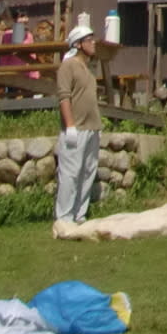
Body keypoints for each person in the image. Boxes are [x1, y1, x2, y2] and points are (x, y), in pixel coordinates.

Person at [52, 24, 103, 233]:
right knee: (71, 174)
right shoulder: (68, 66)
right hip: (76, 129)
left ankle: (79, 216)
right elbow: (64, 96)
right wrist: (70, 126)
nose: (93, 43)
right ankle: (64, 218)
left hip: (92, 128)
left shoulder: (88, 69)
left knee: (87, 173)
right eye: (89, 40)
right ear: (78, 44)